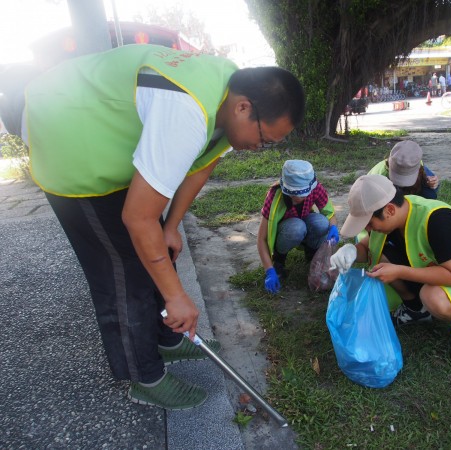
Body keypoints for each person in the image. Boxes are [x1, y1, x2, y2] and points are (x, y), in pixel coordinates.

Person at [23, 44, 305, 409]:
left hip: (114, 147)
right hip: (70, 137)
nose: (260, 147)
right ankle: (145, 377)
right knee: (125, 268)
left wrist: (171, 225)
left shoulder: (230, 93)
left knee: (157, 247)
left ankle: (167, 341)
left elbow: (202, 165)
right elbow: (137, 218)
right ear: (243, 108)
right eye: (265, 138)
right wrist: (176, 296)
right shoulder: (187, 111)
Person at [330, 174, 451, 365]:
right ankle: (416, 309)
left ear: (390, 210)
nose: (369, 229)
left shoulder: (438, 221)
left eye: (369, 223)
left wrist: (399, 271)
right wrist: (351, 251)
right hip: (429, 269)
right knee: (382, 258)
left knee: (432, 296)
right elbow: (369, 249)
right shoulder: (396, 216)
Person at [257, 160, 338, 294]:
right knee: (296, 227)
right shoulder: (275, 195)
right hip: (287, 232)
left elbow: (330, 214)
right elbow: (261, 238)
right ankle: (279, 260)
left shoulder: (316, 188)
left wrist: (333, 227)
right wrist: (269, 270)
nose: (298, 198)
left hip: (305, 226)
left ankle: (312, 255)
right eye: (294, 194)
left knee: (322, 223)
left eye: (301, 194)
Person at [368, 140, 439, 199]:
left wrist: (433, 183)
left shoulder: (415, 162)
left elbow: (432, 185)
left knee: (430, 192)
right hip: (379, 193)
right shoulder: (378, 176)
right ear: (389, 164)